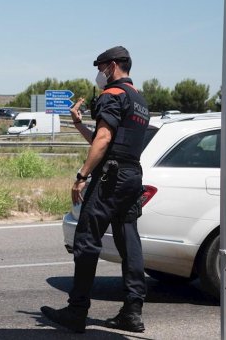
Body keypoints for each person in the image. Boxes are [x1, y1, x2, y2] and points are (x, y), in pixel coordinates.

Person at [40, 46, 150, 333]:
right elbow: (107, 140)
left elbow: (102, 140)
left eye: (101, 68)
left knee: (87, 240)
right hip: (131, 176)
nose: (99, 74)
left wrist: (81, 176)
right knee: (130, 241)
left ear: (112, 65)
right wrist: (78, 124)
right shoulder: (139, 100)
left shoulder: (111, 96)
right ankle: (133, 312)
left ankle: (77, 311)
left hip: (110, 177)